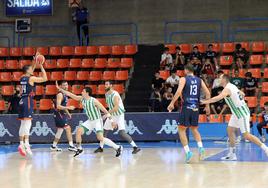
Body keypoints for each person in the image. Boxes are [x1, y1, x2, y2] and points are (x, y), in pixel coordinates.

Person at [201, 74, 268, 160]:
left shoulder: (227, 89)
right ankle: (232, 154)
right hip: (236, 113)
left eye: (220, 78)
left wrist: (206, 101)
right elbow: (242, 93)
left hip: (241, 113)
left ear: (224, 80)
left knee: (246, 135)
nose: (218, 79)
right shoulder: (232, 86)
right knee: (230, 130)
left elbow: (218, 98)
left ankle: (266, 149)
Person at [55, 82, 122, 158]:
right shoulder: (82, 99)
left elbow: (105, 111)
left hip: (97, 121)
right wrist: (60, 89)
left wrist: (112, 121)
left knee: (100, 138)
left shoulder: (94, 101)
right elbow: (70, 94)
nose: (81, 92)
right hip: (90, 121)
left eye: (83, 91)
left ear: (87, 93)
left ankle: (117, 147)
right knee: (79, 131)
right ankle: (80, 149)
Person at [167, 64, 211, 163]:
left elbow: (178, 92)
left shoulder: (184, 79)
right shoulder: (200, 80)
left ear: (186, 70)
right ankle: (201, 148)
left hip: (186, 107)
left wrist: (171, 103)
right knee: (194, 129)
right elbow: (208, 93)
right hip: (196, 107)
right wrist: (207, 106)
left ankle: (188, 153)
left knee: (181, 130)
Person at [94, 81, 141, 154]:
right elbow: (110, 107)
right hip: (112, 114)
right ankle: (101, 147)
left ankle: (135, 147)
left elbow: (116, 108)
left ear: (111, 85)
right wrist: (111, 119)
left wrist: (107, 114)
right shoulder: (106, 94)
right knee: (104, 130)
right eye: (105, 84)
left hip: (119, 115)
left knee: (122, 133)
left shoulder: (115, 95)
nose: (105, 86)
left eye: (107, 84)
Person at [18, 53, 47, 157]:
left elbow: (31, 70)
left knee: (22, 124)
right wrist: (41, 66)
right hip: (28, 101)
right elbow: (45, 79)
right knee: (28, 124)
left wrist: (35, 63)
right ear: (28, 71)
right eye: (31, 69)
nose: (32, 70)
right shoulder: (32, 78)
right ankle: (27, 144)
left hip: (21, 101)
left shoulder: (22, 77)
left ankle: (21, 144)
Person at [50, 81, 76, 152]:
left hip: (61, 113)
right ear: (60, 86)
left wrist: (68, 113)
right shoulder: (60, 94)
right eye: (64, 85)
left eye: (66, 85)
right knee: (68, 128)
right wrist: (69, 108)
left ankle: (53, 146)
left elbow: (63, 106)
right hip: (59, 113)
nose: (66, 86)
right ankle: (71, 146)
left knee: (60, 130)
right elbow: (58, 106)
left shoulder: (65, 94)